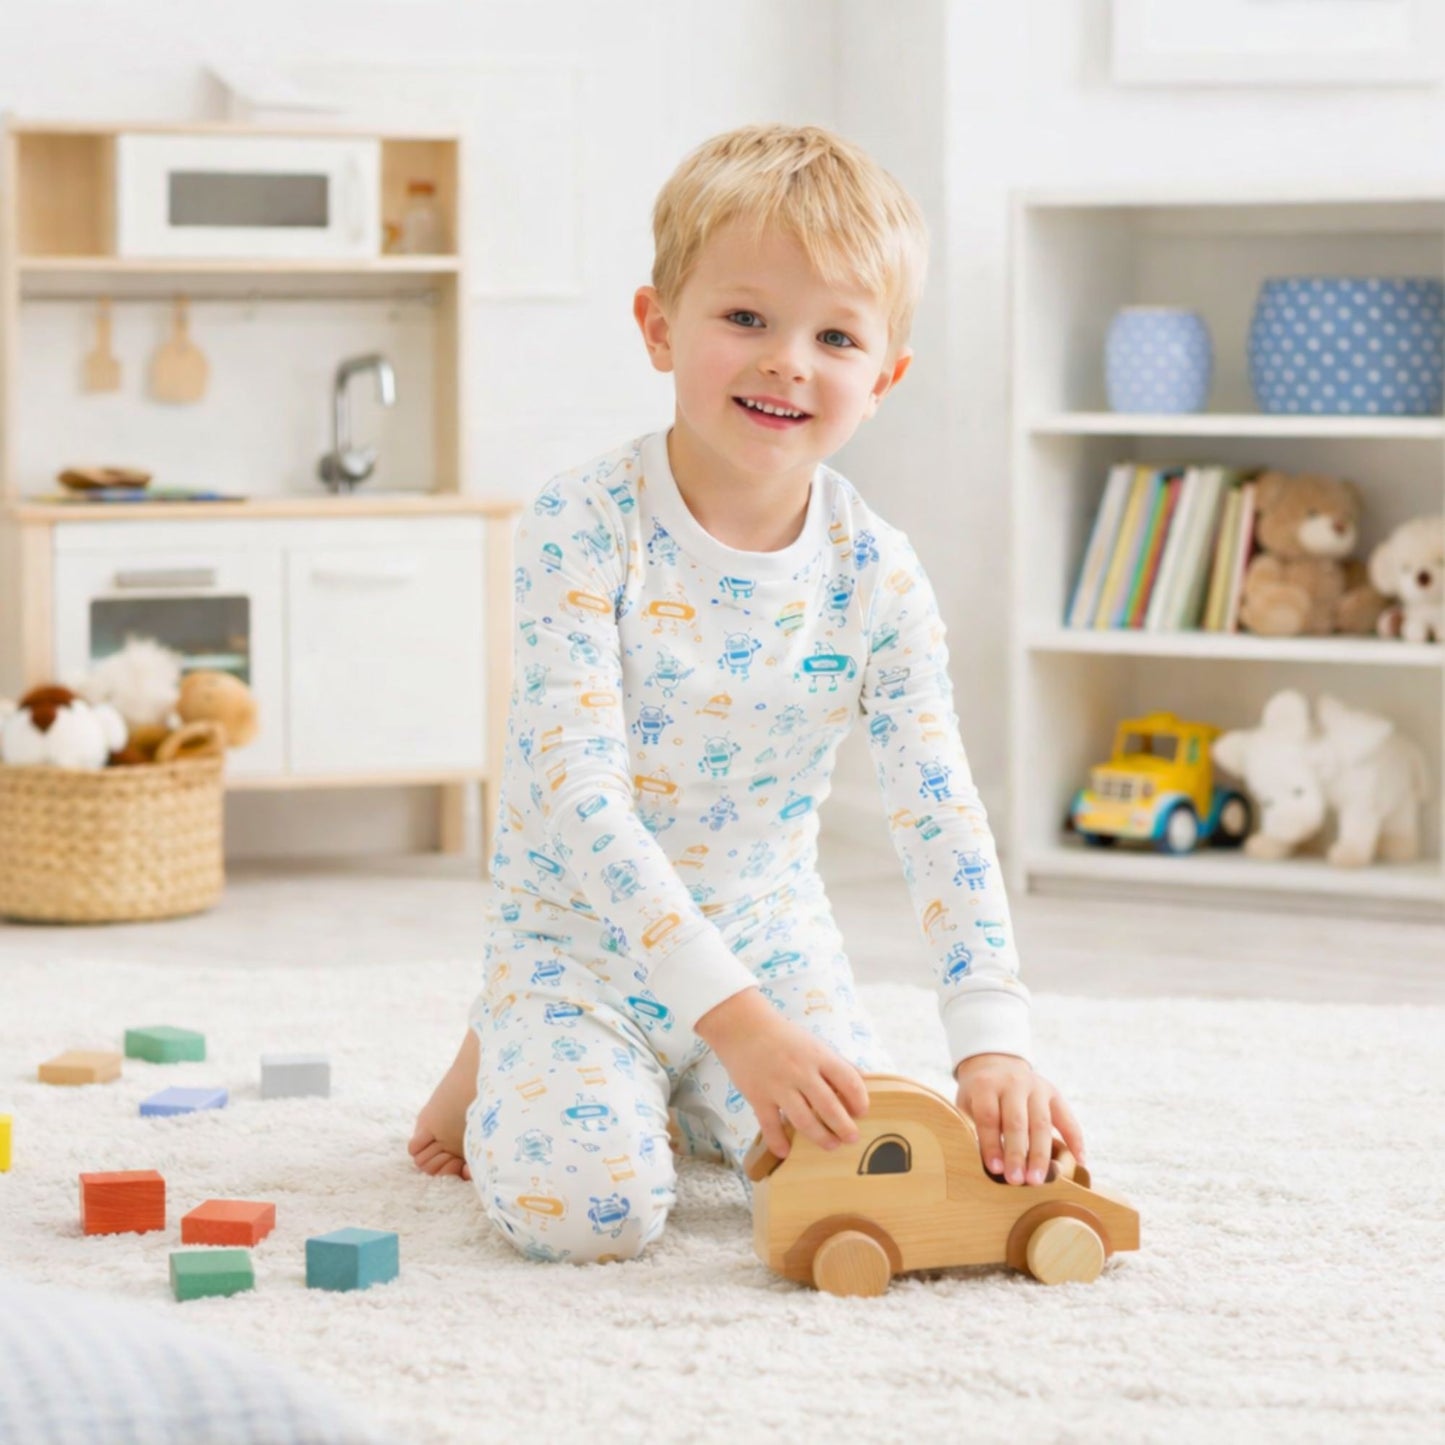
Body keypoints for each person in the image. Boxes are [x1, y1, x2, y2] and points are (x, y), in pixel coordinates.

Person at [409, 123, 1084, 1264]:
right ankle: (511, 1033)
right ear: (658, 327)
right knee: (593, 1218)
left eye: (834, 335)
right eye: (744, 319)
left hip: (768, 941)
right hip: (579, 940)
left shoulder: (879, 573)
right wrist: (738, 1027)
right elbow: (578, 800)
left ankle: (627, 1071)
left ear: (884, 378)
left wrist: (989, 1039)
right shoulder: (581, 527)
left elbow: (939, 815)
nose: (787, 361)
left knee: (852, 1163)